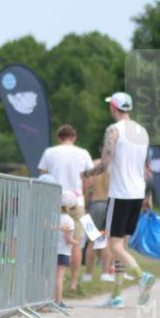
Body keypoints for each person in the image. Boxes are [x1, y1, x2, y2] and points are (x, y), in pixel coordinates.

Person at [84, 92, 155, 309]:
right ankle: (116, 295)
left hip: (120, 193)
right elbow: (147, 169)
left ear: (114, 108)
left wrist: (88, 172)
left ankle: (141, 277)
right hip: (137, 193)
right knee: (121, 246)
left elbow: (105, 164)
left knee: (113, 245)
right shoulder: (142, 132)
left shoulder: (113, 130)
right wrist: (149, 196)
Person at [38, 124, 93, 293]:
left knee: (51, 240)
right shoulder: (83, 153)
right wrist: (83, 195)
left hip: (54, 199)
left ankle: (51, 279)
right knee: (75, 242)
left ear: (58, 138)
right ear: (74, 137)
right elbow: (89, 180)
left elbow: (42, 175)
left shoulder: (50, 152)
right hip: (76, 201)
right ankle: (74, 282)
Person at [83, 167, 113, 281]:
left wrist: (86, 204)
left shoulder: (93, 165)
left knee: (92, 240)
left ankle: (88, 275)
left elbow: (86, 186)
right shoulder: (114, 167)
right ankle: (105, 273)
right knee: (107, 240)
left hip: (95, 204)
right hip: (110, 204)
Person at [55, 191, 79, 308]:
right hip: (62, 251)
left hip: (51, 250)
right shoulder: (69, 220)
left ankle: (46, 300)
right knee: (60, 276)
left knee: (49, 277)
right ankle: (58, 301)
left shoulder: (53, 217)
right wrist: (76, 243)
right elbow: (67, 239)